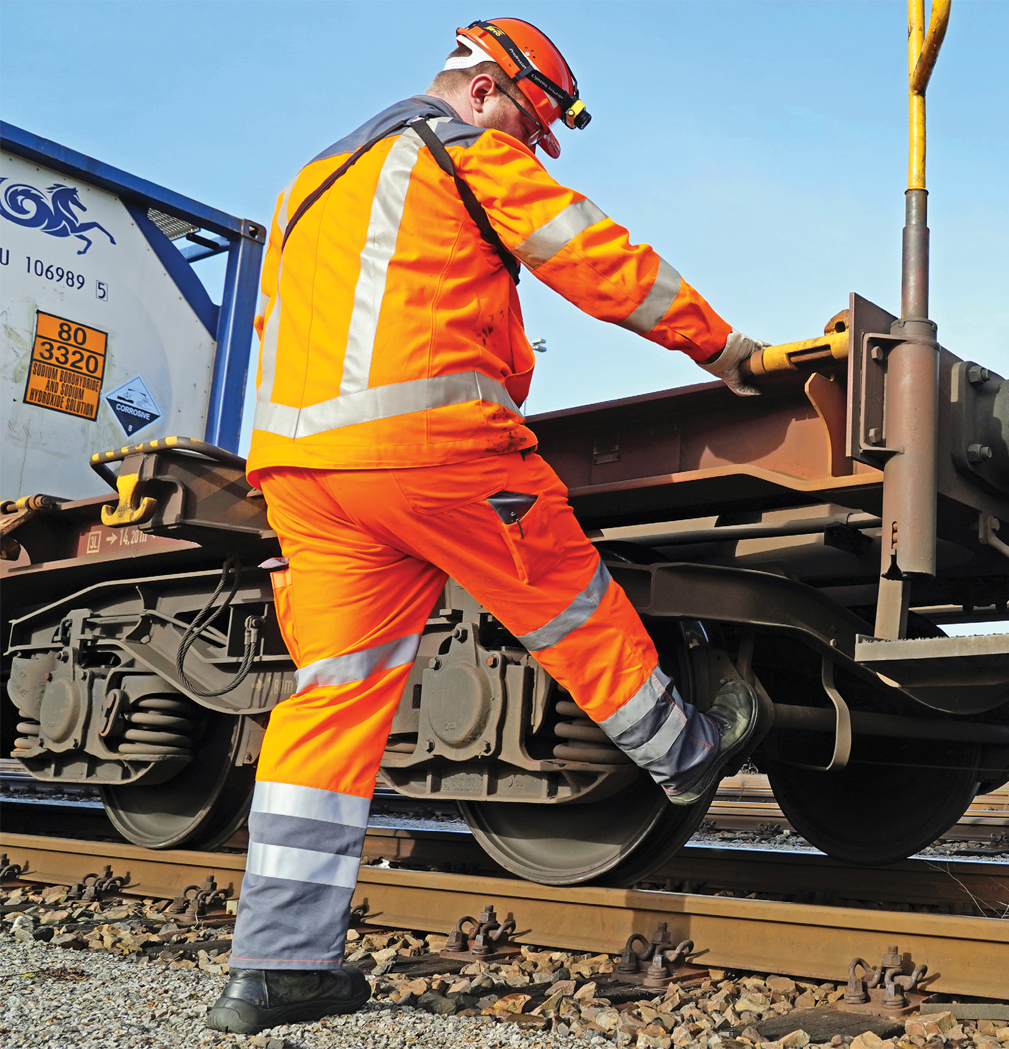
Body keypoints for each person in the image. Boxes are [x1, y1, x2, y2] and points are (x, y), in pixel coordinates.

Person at [206, 18, 767, 1034]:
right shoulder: (454, 150)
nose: (525, 143)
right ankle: (686, 753)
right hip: (429, 447)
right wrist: (724, 349)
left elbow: (278, 328)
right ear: (478, 90)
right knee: (568, 601)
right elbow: (596, 257)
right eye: (527, 121)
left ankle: (278, 964)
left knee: (330, 703)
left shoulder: (306, 185)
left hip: (301, 473)